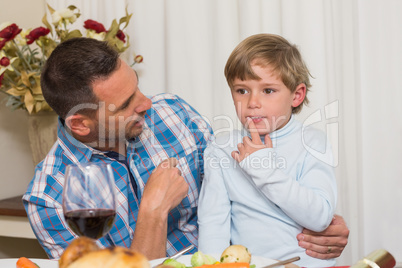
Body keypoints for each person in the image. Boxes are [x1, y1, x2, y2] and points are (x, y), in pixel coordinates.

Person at [22, 37, 348, 261]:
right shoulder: (49, 196)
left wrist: (323, 225)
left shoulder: (174, 113)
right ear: (81, 124)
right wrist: (153, 212)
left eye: (138, 86)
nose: (148, 103)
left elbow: (242, 191)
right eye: (127, 104)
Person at [198, 33, 339, 267]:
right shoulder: (220, 149)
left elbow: (320, 217)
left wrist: (264, 170)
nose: (253, 102)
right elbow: (213, 223)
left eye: (268, 91)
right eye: (242, 90)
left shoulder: (313, 142)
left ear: (296, 95)